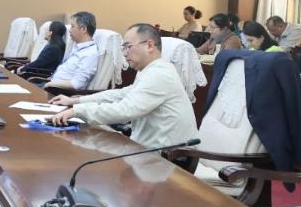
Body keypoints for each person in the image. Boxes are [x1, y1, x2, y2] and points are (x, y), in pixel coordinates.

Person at [50, 24, 198, 149]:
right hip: (146, 148)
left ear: (150, 45)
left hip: (167, 159)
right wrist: (76, 101)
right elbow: (121, 94)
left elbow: (125, 110)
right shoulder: (152, 70)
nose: (124, 54)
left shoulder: (159, 74)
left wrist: (77, 111)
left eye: (128, 47)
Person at [44, 11, 99, 90]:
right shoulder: (77, 47)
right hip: (52, 85)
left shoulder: (90, 54)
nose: (69, 30)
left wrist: (50, 84)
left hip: (59, 91)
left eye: (72, 26)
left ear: (83, 29)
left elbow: (77, 84)